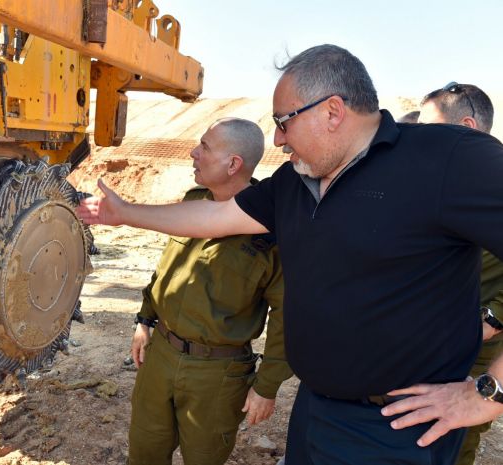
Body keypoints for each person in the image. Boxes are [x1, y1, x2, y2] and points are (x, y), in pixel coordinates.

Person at [77, 44, 503, 465]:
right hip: (316, 409)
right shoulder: (295, 180)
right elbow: (216, 217)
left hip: (397, 428)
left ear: (332, 112)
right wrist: (126, 213)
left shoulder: (448, 157)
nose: (278, 138)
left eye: (284, 122)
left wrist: (488, 393)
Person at [127, 117, 292, 465]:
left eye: (204, 147)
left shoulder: (273, 230)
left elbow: (286, 315)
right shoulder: (194, 200)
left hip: (216, 375)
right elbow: (167, 268)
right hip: (161, 356)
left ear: (233, 164)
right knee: (144, 454)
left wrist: (267, 386)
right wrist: (145, 319)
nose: (193, 152)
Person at [418, 82, 503, 465]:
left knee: (452, 443)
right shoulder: (434, 186)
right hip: (424, 343)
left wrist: (491, 319)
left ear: (466, 127)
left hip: (472, 350)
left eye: (426, 131)